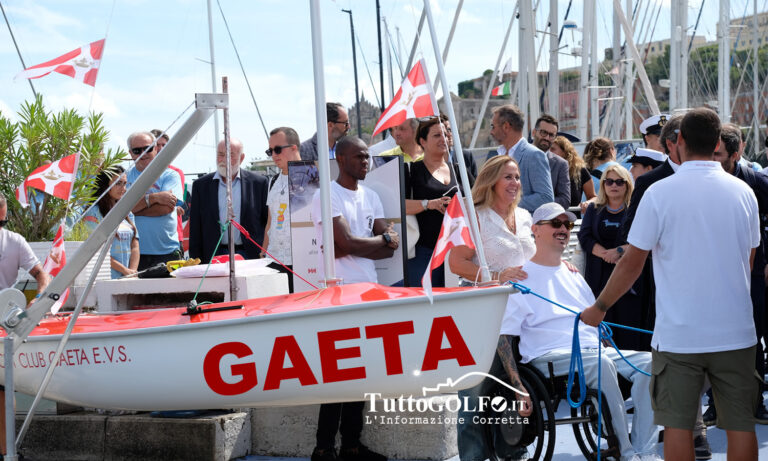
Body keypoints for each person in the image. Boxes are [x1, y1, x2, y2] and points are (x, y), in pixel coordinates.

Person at [582, 108, 760, 461]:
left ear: (678, 140)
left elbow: (632, 263)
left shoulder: (659, 193)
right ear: (717, 143)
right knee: (741, 426)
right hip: (736, 331)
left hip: (679, 335)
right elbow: (748, 260)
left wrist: (599, 307)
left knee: (677, 427)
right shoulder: (744, 192)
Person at [506, 202, 660, 461]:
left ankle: (646, 450)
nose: (563, 229)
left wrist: (608, 344)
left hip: (590, 351)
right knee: (600, 363)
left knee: (650, 364)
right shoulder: (520, 277)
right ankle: (626, 453)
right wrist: (517, 386)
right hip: (548, 357)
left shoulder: (573, 274)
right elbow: (505, 336)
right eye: (555, 223)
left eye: (567, 224)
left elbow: (594, 321)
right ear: (535, 230)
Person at [309, 136, 396, 461]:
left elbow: (390, 246)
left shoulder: (371, 196)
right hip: (339, 291)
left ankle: (351, 446)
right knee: (338, 373)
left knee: (362, 370)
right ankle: (323, 448)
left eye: (367, 157)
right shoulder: (326, 194)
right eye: (359, 156)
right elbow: (344, 243)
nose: (365, 161)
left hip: (368, 290)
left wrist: (363, 244)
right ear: (341, 159)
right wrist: (376, 241)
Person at [705, 122, 768, 424]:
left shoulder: (757, 183)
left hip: (752, 276)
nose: (713, 160)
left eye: (718, 155)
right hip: (712, 276)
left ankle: (755, 403)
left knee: (751, 338)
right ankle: (715, 405)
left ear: (736, 154)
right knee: (712, 340)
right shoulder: (701, 184)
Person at [0, 192, 50, 457]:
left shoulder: (14, 241)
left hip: (4, 320)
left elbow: (42, 275)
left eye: (2, 221)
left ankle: (6, 451)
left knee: (3, 387)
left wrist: (39, 300)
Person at [577, 165, 646, 351]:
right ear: (603, 185)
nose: (613, 185)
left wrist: (619, 251)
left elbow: (644, 239)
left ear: (627, 185)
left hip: (627, 278)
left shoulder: (635, 210)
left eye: (619, 182)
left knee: (628, 329)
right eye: (609, 181)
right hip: (598, 277)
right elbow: (585, 236)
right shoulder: (594, 209)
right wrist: (604, 254)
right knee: (603, 329)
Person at [448, 155, 535, 286]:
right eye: (508, 177)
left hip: (526, 293)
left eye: (517, 177)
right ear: (491, 181)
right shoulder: (475, 216)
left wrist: (558, 264)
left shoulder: (524, 215)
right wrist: (497, 276)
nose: (515, 183)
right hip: (488, 294)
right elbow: (456, 263)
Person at [404, 117, 467, 287]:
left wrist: (460, 204)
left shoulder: (459, 169)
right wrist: (428, 204)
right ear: (422, 141)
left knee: (454, 298)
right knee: (423, 299)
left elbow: (476, 200)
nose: (443, 139)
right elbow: (400, 206)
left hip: (457, 251)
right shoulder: (411, 171)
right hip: (424, 252)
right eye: (437, 135)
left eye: (445, 134)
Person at [189, 137, 269, 264]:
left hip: (250, 256)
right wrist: (195, 261)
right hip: (213, 256)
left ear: (241, 158)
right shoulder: (201, 186)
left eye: (230, 155)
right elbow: (195, 228)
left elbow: (267, 222)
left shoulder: (259, 183)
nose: (224, 160)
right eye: (220, 155)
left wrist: (264, 254)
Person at [125, 131, 184, 270]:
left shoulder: (171, 175)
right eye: (137, 150)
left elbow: (166, 208)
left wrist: (132, 210)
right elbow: (121, 209)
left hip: (167, 252)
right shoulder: (124, 178)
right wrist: (154, 198)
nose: (143, 154)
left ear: (156, 148)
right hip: (132, 254)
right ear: (131, 153)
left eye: (148, 148)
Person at [486, 104, 554, 213]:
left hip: (522, 222)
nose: (491, 132)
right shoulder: (494, 155)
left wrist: (507, 203)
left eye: (493, 126)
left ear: (506, 127)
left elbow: (545, 198)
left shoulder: (534, 155)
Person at [263, 127, 302, 293]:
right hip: (274, 260)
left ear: (294, 148)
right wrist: (263, 253)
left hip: (302, 261)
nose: (274, 155)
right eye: (270, 151)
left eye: (278, 149)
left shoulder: (313, 177)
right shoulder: (273, 181)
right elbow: (270, 222)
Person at [84, 166, 140, 279]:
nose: (123, 188)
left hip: (127, 278)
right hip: (104, 277)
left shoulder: (127, 212)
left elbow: (135, 245)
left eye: (125, 183)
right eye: (118, 183)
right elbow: (95, 250)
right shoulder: (93, 212)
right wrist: (125, 270)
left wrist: (132, 271)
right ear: (105, 185)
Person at [151, 128, 186, 252]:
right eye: (157, 145)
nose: (161, 149)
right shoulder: (140, 174)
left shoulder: (176, 173)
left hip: (172, 237)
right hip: (145, 238)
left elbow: (170, 206)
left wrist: (146, 202)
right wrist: (159, 199)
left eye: (164, 145)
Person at [532, 114, 570, 209]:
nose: (547, 138)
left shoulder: (561, 164)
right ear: (534, 132)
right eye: (543, 132)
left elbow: (565, 200)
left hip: (547, 216)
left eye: (551, 135)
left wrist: (540, 204)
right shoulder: (517, 158)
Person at [550, 135, 596, 213]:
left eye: (553, 149)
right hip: (551, 217)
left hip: (574, 219)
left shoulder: (580, 171)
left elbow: (593, 197)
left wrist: (587, 203)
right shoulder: (545, 169)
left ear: (565, 152)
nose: (549, 152)